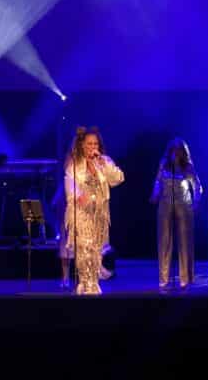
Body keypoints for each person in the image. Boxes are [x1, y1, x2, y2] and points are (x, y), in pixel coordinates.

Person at [64, 126, 125, 295]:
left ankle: (93, 284)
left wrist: (104, 165)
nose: (92, 147)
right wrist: (78, 195)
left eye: (95, 144)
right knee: (84, 249)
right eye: (89, 144)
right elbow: (69, 183)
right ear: (82, 145)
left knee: (96, 251)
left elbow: (118, 178)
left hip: (99, 214)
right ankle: (85, 283)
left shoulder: (103, 161)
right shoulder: (75, 165)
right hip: (82, 213)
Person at [150, 138, 202, 290]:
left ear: (183, 152)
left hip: (184, 204)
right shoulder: (164, 164)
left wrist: (196, 201)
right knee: (164, 241)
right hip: (165, 203)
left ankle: (185, 279)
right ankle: (163, 280)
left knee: (185, 242)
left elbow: (197, 186)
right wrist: (155, 193)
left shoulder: (188, 167)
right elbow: (158, 181)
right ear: (170, 151)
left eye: (179, 150)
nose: (176, 153)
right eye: (174, 150)